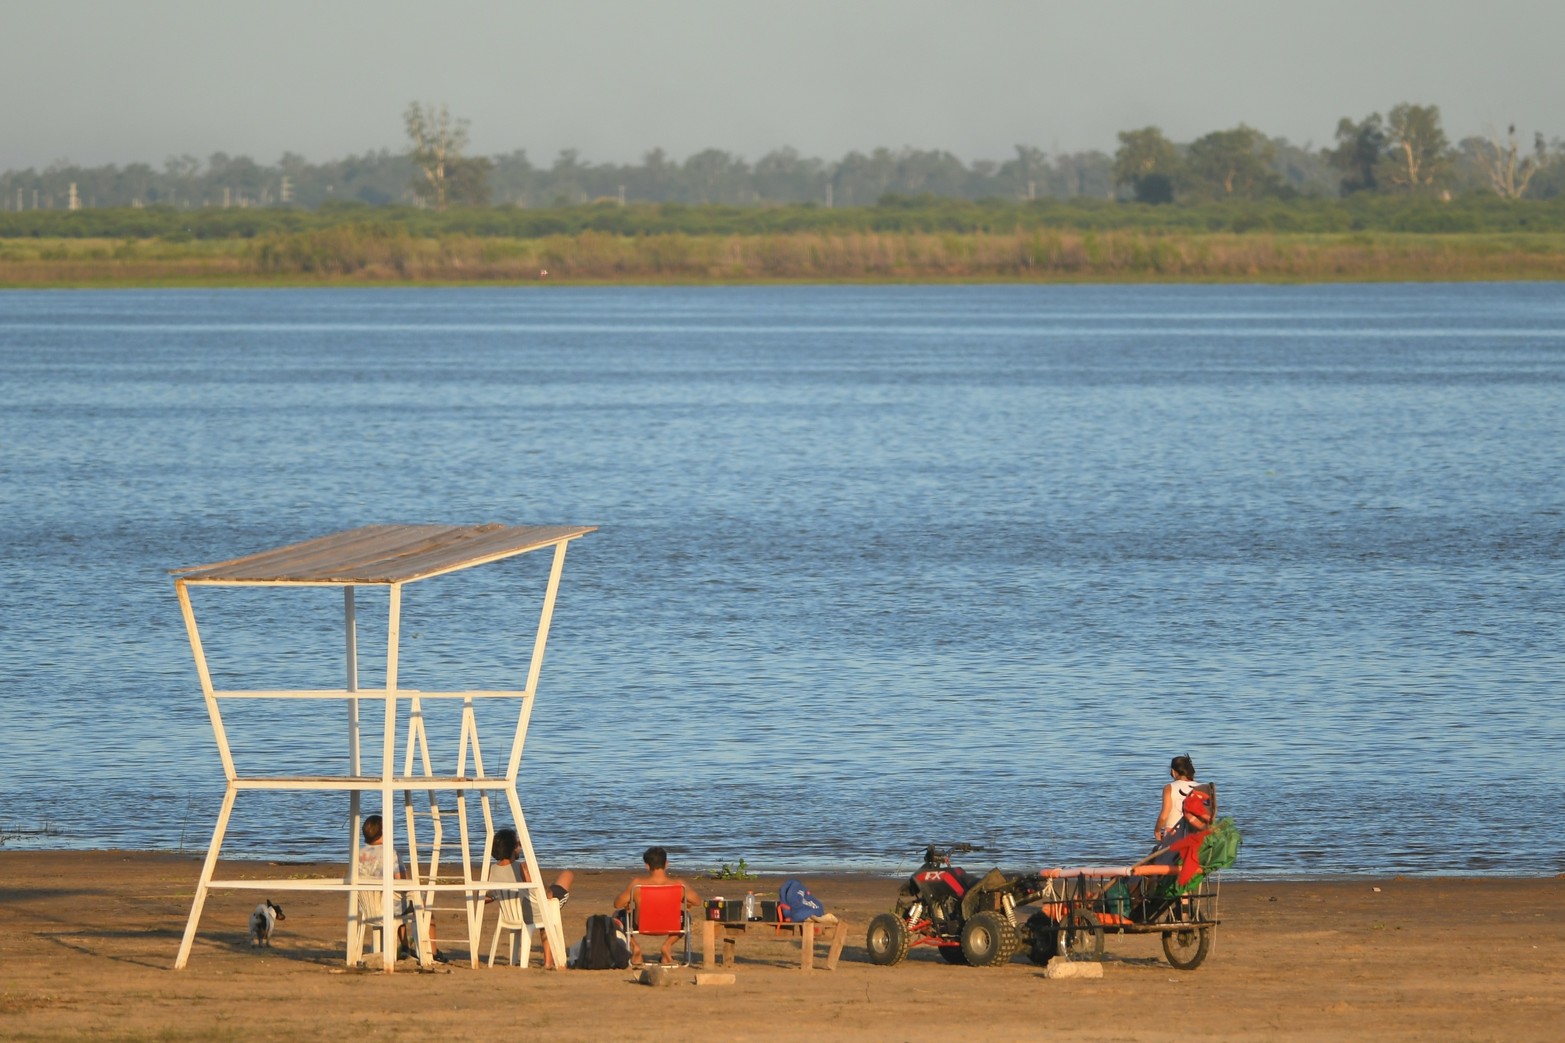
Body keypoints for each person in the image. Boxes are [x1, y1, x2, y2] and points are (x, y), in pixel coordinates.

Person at [358, 814, 446, 963]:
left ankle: (405, 945)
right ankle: (432, 951)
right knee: (423, 906)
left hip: (367, 908)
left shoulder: (359, 854)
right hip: (388, 907)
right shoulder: (390, 854)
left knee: (400, 902)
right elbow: (402, 881)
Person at [487, 828, 574, 969]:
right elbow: (545, 896)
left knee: (545, 903)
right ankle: (548, 962)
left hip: (510, 914)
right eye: (518, 844)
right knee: (567, 875)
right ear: (512, 848)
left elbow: (493, 893)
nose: (520, 846)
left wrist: (494, 896)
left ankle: (547, 961)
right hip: (531, 910)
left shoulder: (493, 869)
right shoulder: (522, 867)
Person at [613, 846, 701, 967]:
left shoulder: (637, 884)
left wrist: (628, 902)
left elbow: (617, 904)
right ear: (666, 864)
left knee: (617, 917)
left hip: (642, 924)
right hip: (672, 925)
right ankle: (667, 945)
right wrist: (683, 900)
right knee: (686, 917)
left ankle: (635, 947)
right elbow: (697, 901)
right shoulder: (679, 885)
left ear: (647, 866)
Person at [1155, 755, 1200, 842]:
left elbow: (1164, 816)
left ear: (1173, 772)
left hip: (1174, 836)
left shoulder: (1169, 787)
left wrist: (1157, 831)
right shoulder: (1202, 787)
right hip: (1196, 833)